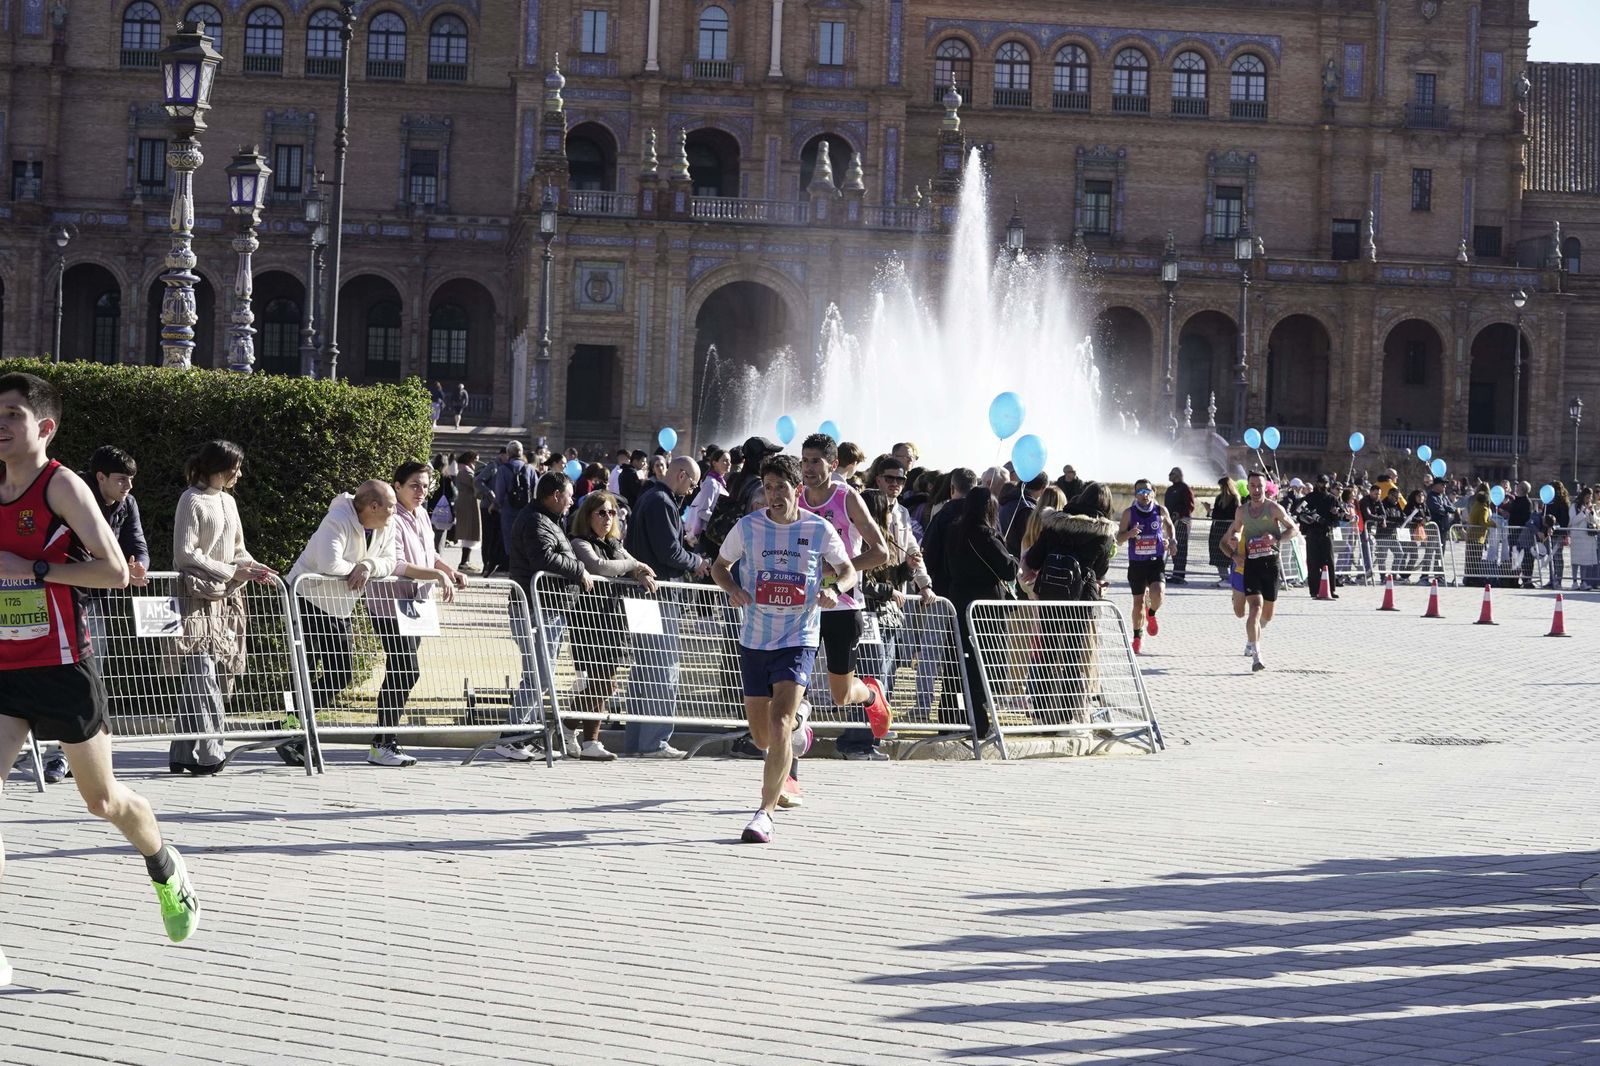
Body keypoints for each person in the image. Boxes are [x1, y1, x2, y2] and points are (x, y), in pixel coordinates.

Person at [0, 371, 200, 972]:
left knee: (103, 802)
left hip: (64, 666)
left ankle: (165, 864)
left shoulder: (62, 487)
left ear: (44, 426)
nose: (1, 424)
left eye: (12, 414)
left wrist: (32, 570)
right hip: (5, 666)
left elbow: (114, 572)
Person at [713, 454, 853, 844]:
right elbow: (718, 566)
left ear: (798, 490)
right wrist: (734, 589)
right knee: (762, 737)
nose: (773, 494)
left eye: (781, 487)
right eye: (768, 487)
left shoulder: (818, 528)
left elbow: (848, 570)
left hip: (798, 637)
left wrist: (834, 589)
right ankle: (798, 732)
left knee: (778, 724)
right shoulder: (748, 527)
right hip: (755, 637)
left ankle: (765, 812)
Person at [19, 445, 152, 785]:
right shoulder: (71, 493)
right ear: (101, 477)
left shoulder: (128, 504)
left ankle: (69, 758)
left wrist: (137, 568)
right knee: (41, 677)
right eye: (122, 480)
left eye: (132, 480)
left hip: (93, 603)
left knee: (87, 677)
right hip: (52, 597)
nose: (129, 487)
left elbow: (137, 546)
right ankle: (44, 751)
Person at [170, 439, 276, 774]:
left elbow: (238, 549)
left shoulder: (228, 502)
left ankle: (182, 753)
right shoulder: (191, 499)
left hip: (226, 600)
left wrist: (257, 569)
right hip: (194, 598)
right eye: (236, 468)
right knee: (202, 674)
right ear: (220, 468)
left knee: (207, 675)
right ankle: (212, 752)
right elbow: (186, 554)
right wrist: (232, 571)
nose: (240, 474)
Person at [364, 462, 466, 767]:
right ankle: (383, 742)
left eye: (425, 486)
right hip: (389, 604)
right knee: (406, 669)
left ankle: (385, 741)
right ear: (397, 486)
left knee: (400, 672)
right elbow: (396, 564)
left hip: (417, 604)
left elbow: (429, 553)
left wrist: (449, 570)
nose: (421, 492)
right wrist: (437, 575)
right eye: (414, 486)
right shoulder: (390, 518)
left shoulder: (422, 513)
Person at [799, 434, 891, 761]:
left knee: (840, 696)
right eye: (804, 460)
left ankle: (870, 695)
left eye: (815, 461)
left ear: (833, 464)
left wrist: (839, 569)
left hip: (842, 604)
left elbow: (880, 553)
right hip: (802, 605)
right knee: (792, 688)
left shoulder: (847, 498)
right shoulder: (795, 498)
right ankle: (788, 768)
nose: (808, 468)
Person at [286, 481, 401, 730]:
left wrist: (368, 566)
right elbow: (330, 564)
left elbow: (390, 561)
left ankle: (295, 723)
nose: (395, 510)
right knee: (301, 671)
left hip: (339, 606)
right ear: (373, 506)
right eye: (391, 506)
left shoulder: (388, 524)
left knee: (340, 673)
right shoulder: (336, 519)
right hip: (306, 599)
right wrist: (359, 569)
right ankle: (293, 726)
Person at [622, 456, 708, 758]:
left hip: (641, 596)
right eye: (693, 484)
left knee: (644, 670)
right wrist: (696, 562)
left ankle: (637, 740)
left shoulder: (648, 497)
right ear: (682, 475)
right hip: (658, 597)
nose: (691, 491)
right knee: (662, 668)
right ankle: (654, 740)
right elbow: (669, 552)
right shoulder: (662, 501)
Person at [506, 471, 592, 762]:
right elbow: (543, 558)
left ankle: (524, 735)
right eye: (569, 496)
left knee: (541, 676)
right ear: (556, 496)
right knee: (538, 675)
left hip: (549, 607)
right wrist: (579, 569)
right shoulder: (535, 520)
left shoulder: (548, 520)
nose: (571, 502)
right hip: (534, 607)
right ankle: (510, 737)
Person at [568, 490, 657, 761]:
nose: (608, 518)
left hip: (613, 621)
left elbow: (637, 566)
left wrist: (640, 572)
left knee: (603, 682)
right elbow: (598, 566)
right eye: (601, 513)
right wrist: (633, 564)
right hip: (589, 621)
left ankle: (567, 727)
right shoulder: (579, 542)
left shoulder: (615, 544)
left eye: (612, 513)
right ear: (588, 516)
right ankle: (589, 740)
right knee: (602, 682)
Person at [943, 487, 1016, 739]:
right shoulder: (986, 535)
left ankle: (958, 717)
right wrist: (1012, 557)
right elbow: (1008, 570)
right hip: (986, 608)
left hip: (959, 599)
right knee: (988, 663)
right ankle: (983, 719)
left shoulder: (953, 531)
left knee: (962, 661)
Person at [1221, 470, 1299, 673]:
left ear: (1266, 488)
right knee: (1254, 608)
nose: (1255, 490)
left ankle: (1251, 638)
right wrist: (1236, 539)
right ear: (1247, 487)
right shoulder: (1241, 511)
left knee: (1267, 615)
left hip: (1271, 565)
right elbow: (1237, 530)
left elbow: (1294, 529)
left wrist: (1277, 539)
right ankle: (1256, 654)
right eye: (1252, 486)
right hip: (1251, 565)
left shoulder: (1273, 508)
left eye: (1259, 486)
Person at [1115, 479, 1175, 656]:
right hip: (1137, 564)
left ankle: (1151, 612)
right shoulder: (1129, 513)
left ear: (1154, 493)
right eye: (1140, 492)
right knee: (1137, 602)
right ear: (1135, 494)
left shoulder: (1160, 510)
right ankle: (1137, 638)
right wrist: (1130, 534)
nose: (1144, 495)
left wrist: (1171, 541)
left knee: (1158, 594)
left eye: (1147, 491)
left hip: (1155, 561)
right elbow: (1118, 539)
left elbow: (1170, 526)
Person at [1296, 475, 1344, 597]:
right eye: (1321, 483)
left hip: (1326, 532)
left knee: (1329, 562)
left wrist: (1336, 514)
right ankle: (1314, 590)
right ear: (1317, 483)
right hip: (1312, 533)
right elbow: (1297, 511)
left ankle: (1331, 590)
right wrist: (1305, 517)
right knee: (1313, 563)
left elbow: (1339, 516)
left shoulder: (1332, 499)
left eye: (1325, 483)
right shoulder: (1309, 498)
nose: (1323, 485)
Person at [493, 440, 532, 557]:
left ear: (508, 453)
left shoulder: (503, 469)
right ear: (521, 453)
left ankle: (513, 566)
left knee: (510, 538)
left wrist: (496, 505)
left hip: (508, 509)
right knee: (525, 538)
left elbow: (499, 492)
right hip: (526, 509)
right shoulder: (529, 469)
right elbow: (535, 490)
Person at [684, 444, 730, 544]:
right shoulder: (711, 483)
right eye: (725, 461)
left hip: (711, 533)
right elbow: (703, 511)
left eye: (729, 461)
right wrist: (721, 521)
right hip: (708, 534)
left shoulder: (718, 482)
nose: (728, 464)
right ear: (715, 463)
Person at [451, 451, 482, 573]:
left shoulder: (464, 470)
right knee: (469, 532)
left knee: (469, 533)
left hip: (467, 503)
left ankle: (466, 561)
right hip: (469, 504)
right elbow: (475, 484)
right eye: (475, 460)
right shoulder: (466, 472)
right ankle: (463, 562)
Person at [1164, 467, 1195, 584]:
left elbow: (1190, 506)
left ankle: (1179, 575)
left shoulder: (1185, 488)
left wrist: (1179, 513)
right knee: (1173, 546)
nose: (1169, 475)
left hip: (1183, 522)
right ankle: (1175, 574)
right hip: (1171, 522)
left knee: (1181, 548)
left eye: (1171, 473)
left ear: (1177, 475)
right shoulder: (1170, 489)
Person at [1208, 476, 1239, 587]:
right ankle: (1224, 577)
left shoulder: (1235, 499)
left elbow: (1235, 515)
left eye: (1222, 487)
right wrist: (1209, 510)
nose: (1221, 489)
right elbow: (1216, 514)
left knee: (1229, 552)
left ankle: (1231, 577)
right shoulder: (1219, 498)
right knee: (1217, 552)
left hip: (1228, 529)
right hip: (1217, 529)